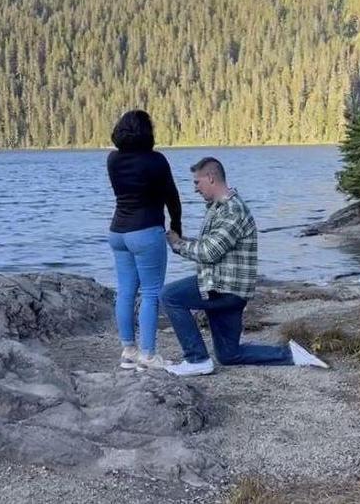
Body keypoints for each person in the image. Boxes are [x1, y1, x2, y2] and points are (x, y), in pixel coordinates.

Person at [162, 157, 328, 376]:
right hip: (230, 291)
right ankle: (292, 355)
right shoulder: (220, 208)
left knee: (169, 296)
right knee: (229, 355)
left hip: (223, 289)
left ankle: (197, 359)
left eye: (196, 182)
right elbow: (212, 246)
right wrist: (182, 241)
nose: (195, 189)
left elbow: (208, 252)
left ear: (210, 178)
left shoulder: (232, 211)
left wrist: (177, 244)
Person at [107, 110, 182, 371]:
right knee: (151, 293)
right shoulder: (156, 161)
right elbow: (172, 197)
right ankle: (148, 355)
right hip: (146, 231)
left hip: (118, 232)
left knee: (126, 290)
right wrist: (177, 227)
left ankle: (129, 351)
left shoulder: (113, 160)